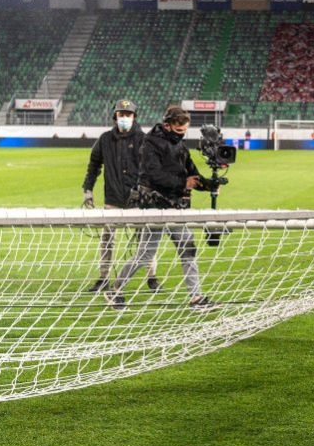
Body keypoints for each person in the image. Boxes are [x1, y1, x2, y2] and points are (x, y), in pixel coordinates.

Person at [104, 106, 216, 311]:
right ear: (167, 125)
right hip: (154, 206)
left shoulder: (181, 147)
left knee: (188, 250)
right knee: (145, 255)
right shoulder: (150, 143)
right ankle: (115, 291)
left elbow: (193, 176)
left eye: (184, 131)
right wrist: (184, 183)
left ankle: (196, 298)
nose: (181, 134)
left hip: (176, 208)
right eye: (178, 130)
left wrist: (211, 184)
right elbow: (152, 174)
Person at [82, 99, 160, 293]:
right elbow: (93, 166)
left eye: (128, 114)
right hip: (113, 199)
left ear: (134, 117)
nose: (124, 117)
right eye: (121, 114)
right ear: (115, 116)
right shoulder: (105, 140)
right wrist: (88, 190)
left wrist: (147, 192)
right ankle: (103, 277)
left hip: (138, 201)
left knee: (146, 240)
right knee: (107, 240)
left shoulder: (144, 140)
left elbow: (153, 169)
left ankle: (152, 276)